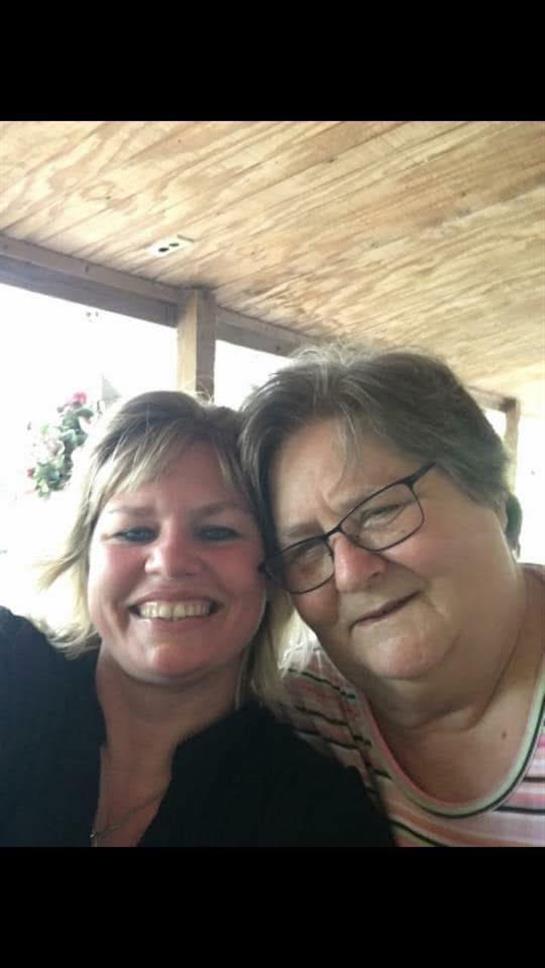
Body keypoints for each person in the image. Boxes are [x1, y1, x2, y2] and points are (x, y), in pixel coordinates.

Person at [0, 390, 392, 848]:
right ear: (84, 559)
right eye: (134, 532)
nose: (169, 562)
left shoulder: (319, 814)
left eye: (216, 532)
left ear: (272, 572)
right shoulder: (11, 670)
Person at [240, 344, 545, 847]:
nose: (350, 573)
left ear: (489, 492)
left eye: (381, 512)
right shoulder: (304, 708)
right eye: (307, 549)